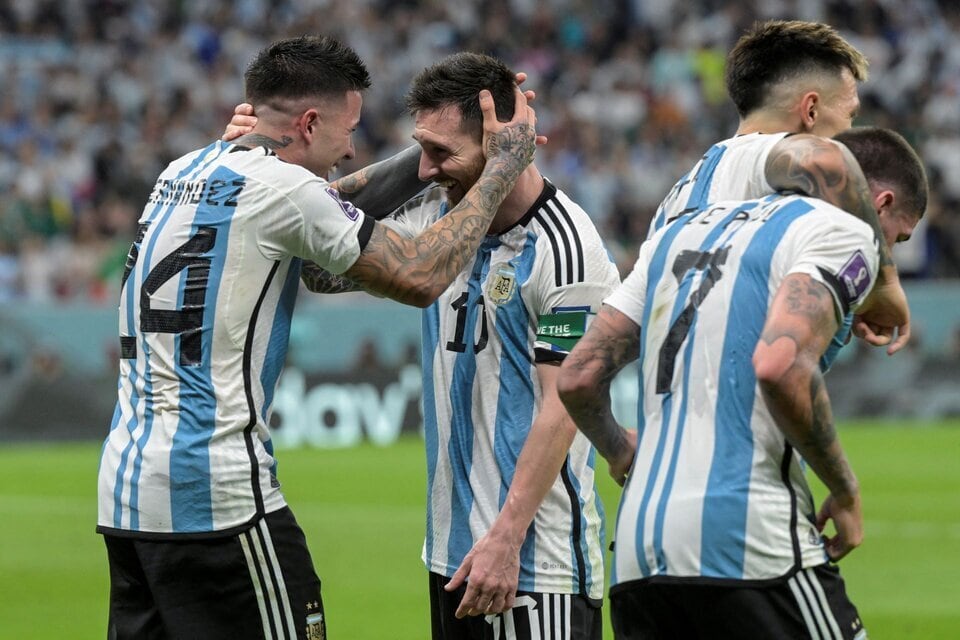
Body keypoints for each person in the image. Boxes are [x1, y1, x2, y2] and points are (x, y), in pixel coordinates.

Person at [96, 36, 537, 640]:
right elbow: (420, 273)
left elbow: (318, 215)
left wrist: (431, 152)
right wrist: (501, 165)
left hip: (125, 494)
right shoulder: (282, 191)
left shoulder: (183, 169)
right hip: (217, 493)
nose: (350, 147)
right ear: (308, 123)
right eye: (346, 129)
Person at [226, 52, 620, 640]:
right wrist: (270, 159)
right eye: (421, 149)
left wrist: (506, 538)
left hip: (533, 566)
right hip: (449, 555)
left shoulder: (564, 247)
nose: (428, 169)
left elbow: (560, 406)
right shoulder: (438, 223)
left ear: (499, 145)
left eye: (443, 153)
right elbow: (317, 266)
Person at [556, 127, 928, 639]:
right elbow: (782, 366)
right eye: (898, 237)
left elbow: (578, 376)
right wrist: (844, 490)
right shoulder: (844, 231)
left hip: (639, 554)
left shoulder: (677, 232)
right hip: (751, 542)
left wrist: (620, 451)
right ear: (879, 204)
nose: (892, 252)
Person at [651, 19, 911, 354]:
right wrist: (884, 282)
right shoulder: (760, 155)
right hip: (740, 398)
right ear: (811, 110)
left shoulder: (676, 198)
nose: (851, 131)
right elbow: (828, 162)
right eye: (850, 115)